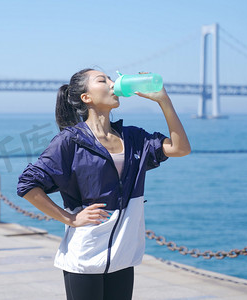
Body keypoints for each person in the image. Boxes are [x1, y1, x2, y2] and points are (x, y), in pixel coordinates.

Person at [16, 68, 191, 300]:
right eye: (103, 80)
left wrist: (164, 101)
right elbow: (27, 185)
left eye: (111, 78)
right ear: (85, 97)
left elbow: (180, 148)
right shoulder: (70, 140)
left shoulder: (134, 138)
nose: (113, 83)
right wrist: (70, 218)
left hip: (122, 257)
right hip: (85, 258)